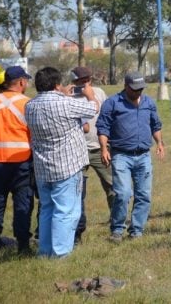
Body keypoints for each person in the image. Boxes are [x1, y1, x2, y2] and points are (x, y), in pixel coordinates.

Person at [25, 67, 99, 258]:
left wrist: (62, 93)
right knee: (66, 212)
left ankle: (45, 251)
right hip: (67, 166)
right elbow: (93, 109)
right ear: (58, 84)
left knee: (47, 210)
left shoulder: (30, 105)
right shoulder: (65, 104)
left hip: (43, 167)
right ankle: (61, 254)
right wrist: (89, 94)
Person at [96, 71, 164, 242]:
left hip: (143, 156)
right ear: (126, 86)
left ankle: (137, 231)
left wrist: (160, 143)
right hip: (121, 155)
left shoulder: (149, 102)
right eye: (134, 89)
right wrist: (104, 148)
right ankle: (117, 229)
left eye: (141, 89)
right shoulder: (112, 103)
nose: (138, 92)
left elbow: (155, 125)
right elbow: (103, 127)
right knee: (123, 193)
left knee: (144, 195)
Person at [0, 66, 34, 259]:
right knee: (23, 205)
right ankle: (23, 247)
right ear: (21, 82)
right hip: (21, 162)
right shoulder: (27, 104)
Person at [69, 66, 111, 244]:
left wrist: (106, 146)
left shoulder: (99, 93)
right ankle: (76, 229)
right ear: (73, 81)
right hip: (77, 150)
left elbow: (106, 114)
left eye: (86, 80)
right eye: (80, 81)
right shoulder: (68, 97)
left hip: (99, 147)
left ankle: (117, 221)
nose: (84, 84)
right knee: (77, 191)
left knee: (113, 186)